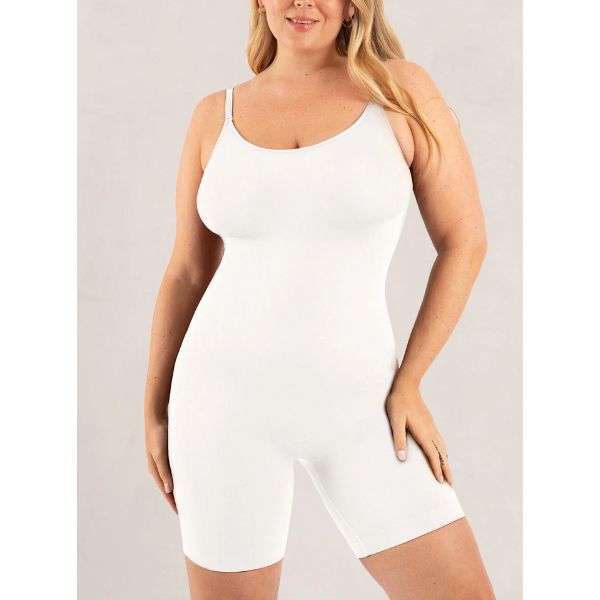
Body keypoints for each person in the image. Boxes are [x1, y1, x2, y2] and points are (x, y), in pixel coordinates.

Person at [144, 1, 495, 598]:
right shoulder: (213, 116)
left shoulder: (400, 92)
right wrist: (155, 410)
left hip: (367, 408)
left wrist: (410, 382)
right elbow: (185, 272)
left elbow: (465, 242)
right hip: (221, 409)